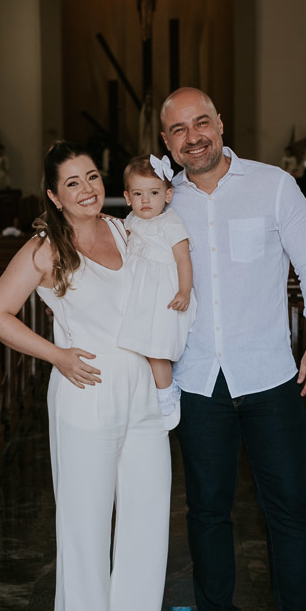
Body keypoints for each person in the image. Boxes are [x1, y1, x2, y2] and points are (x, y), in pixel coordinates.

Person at [160, 87, 306, 611]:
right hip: (198, 379)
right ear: (165, 142)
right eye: (178, 130)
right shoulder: (161, 205)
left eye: (201, 122)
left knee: (289, 512)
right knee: (208, 511)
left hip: (270, 375)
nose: (193, 136)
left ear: (221, 123)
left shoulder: (273, 184)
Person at [0, 141, 171, 611]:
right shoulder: (46, 248)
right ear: (53, 195)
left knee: (148, 514)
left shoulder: (128, 228)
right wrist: (57, 355)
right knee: (86, 520)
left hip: (142, 383)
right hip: (86, 384)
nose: (87, 188)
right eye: (73, 183)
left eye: (91, 176)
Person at [118, 154, 196, 429]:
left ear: (168, 194)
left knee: (156, 348)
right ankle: (145, 393)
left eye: (153, 192)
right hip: (139, 291)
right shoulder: (131, 220)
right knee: (135, 345)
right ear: (128, 197)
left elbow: (183, 258)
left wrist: (184, 291)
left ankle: (167, 392)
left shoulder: (170, 222)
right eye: (138, 194)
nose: (146, 200)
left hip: (163, 294)